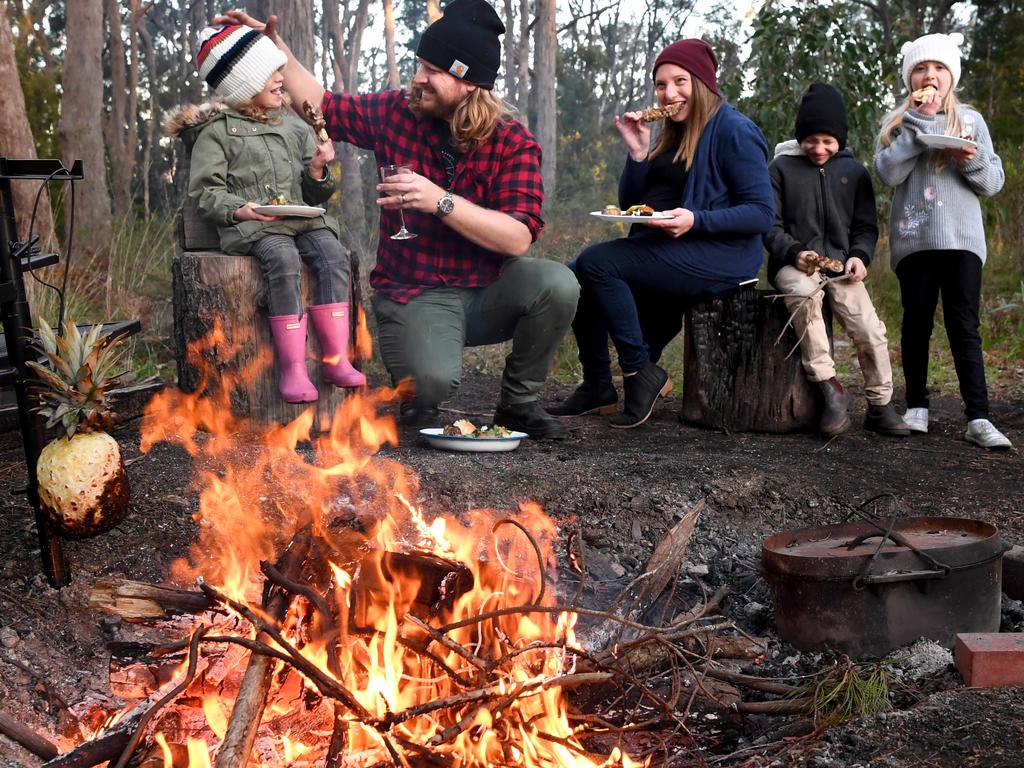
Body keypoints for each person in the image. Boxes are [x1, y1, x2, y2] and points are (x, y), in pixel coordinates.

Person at [216, 0, 579, 439]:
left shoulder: (511, 142)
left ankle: (519, 404)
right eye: (420, 64)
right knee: (429, 386)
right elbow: (322, 105)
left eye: (433, 70)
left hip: (487, 289)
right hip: (416, 291)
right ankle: (420, 379)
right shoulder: (397, 113)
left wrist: (440, 201)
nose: (418, 77)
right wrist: (277, 53)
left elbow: (518, 237)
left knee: (557, 284)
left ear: (468, 83)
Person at [550, 39, 774, 428]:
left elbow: (761, 213)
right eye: (660, 84)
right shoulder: (672, 132)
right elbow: (635, 204)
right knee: (576, 275)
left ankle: (641, 371)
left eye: (679, 81)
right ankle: (598, 386)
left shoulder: (734, 131)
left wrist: (696, 220)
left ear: (702, 83)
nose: (669, 93)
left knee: (597, 262)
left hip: (722, 257)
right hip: (671, 247)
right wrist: (637, 155)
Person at [167, 24, 366, 404]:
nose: (280, 79)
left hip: (302, 219)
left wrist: (319, 171)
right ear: (243, 84)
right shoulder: (217, 133)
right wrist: (238, 209)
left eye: (279, 71)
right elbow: (207, 192)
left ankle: (335, 359)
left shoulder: (295, 127)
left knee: (333, 254)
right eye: (269, 73)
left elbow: (314, 194)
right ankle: (293, 367)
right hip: (256, 227)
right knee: (284, 259)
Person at [875, 32, 1011, 449]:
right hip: (915, 238)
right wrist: (917, 124)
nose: (929, 77)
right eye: (920, 69)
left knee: (963, 325)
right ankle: (917, 405)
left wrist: (971, 160)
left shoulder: (969, 121)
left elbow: (992, 183)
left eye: (937, 69)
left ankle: (979, 416)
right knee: (916, 323)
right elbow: (888, 173)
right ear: (909, 79)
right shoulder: (898, 122)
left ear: (951, 77)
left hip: (962, 238)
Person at [766, 83, 909, 438]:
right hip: (796, 262)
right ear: (800, 137)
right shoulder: (780, 169)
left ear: (840, 140)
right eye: (811, 140)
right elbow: (769, 224)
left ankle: (880, 404)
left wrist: (860, 257)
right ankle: (831, 389)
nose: (819, 148)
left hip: (842, 266)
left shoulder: (855, 173)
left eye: (828, 141)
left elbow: (865, 226)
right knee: (802, 296)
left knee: (869, 328)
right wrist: (794, 252)